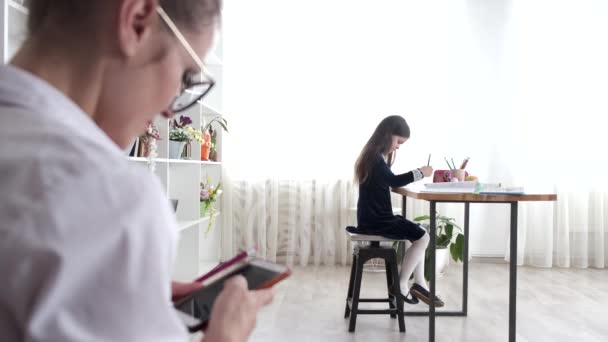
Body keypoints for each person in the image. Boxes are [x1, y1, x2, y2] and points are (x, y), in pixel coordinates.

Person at [0, 1, 272, 341]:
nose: (171, 112)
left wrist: (128, 289)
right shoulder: (111, 198)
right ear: (137, 21)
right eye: (186, 76)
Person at [354, 115, 444, 307]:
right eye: (398, 142)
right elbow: (394, 181)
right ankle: (401, 284)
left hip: (372, 218)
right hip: (377, 220)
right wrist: (421, 172)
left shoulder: (372, 156)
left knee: (420, 233)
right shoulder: (375, 158)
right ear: (388, 135)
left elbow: (387, 180)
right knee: (423, 237)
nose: (397, 147)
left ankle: (419, 283)